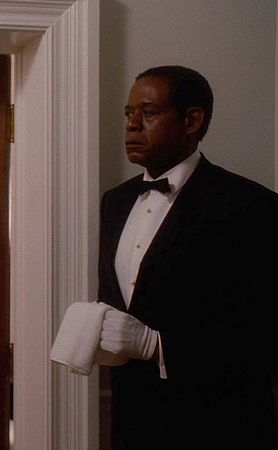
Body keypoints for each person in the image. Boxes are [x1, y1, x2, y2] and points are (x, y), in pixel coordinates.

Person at [97, 65, 278, 449]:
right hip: (132, 420)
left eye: (148, 113)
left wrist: (158, 346)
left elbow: (264, 330)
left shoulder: (252, 205)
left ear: (191, 121)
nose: (131, 125)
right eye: (128, 113)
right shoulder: (115, 202)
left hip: (220, 421)